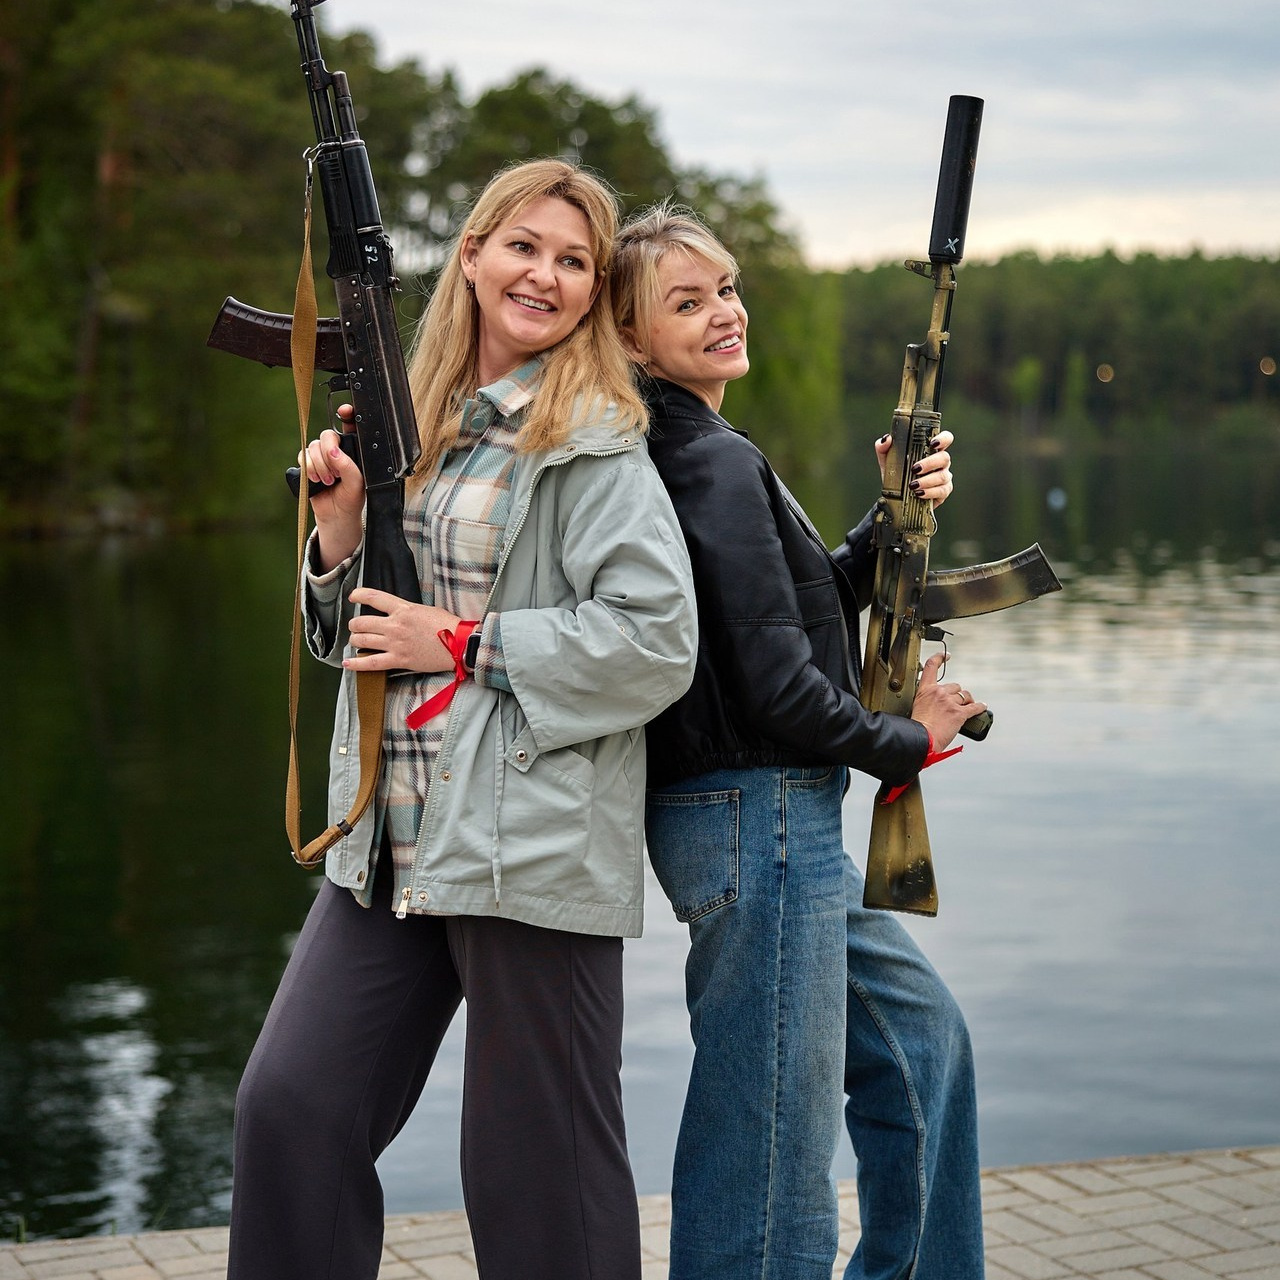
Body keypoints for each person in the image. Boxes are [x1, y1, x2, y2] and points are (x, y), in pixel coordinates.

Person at [227, 161, 697, 1280]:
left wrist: (466, 641)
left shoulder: (592, 443)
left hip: (527, 839)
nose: (545, 274)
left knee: (540, 1177)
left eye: (574, 260)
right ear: (473, 255)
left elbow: (654, 642)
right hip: (388, 836)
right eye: (524, 246)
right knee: (290, 1108)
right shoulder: (416, 424)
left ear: (591, 291)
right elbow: (363, 635)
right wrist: (338, 540)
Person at [611, 204, 988, 1280]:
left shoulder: (694, 446)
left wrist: (884, 522)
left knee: (922, 1047)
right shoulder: (701, 458)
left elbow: (783, 613)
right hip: (758, 820)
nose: (723, 312)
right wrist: (903, 740)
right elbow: (776, 684)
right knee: (768, 1137)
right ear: (632, 338)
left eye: (723, 288)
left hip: (767, 826)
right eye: (684, 302)